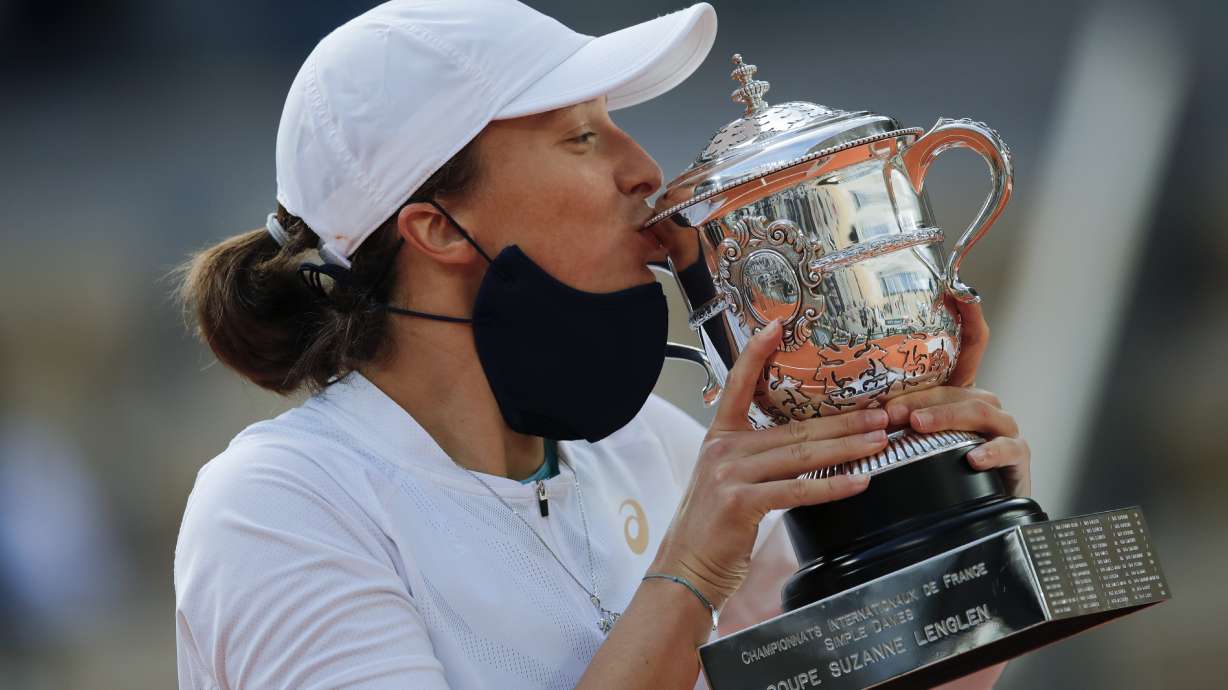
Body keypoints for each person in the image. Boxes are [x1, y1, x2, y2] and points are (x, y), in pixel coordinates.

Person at [172, 1, 1032, 688]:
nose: (644, 171)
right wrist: (690, 572)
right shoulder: (278, 507)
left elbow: (864, 680)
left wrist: (945, 515)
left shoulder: (650, 448)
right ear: (436, 227)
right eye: (582, 136)